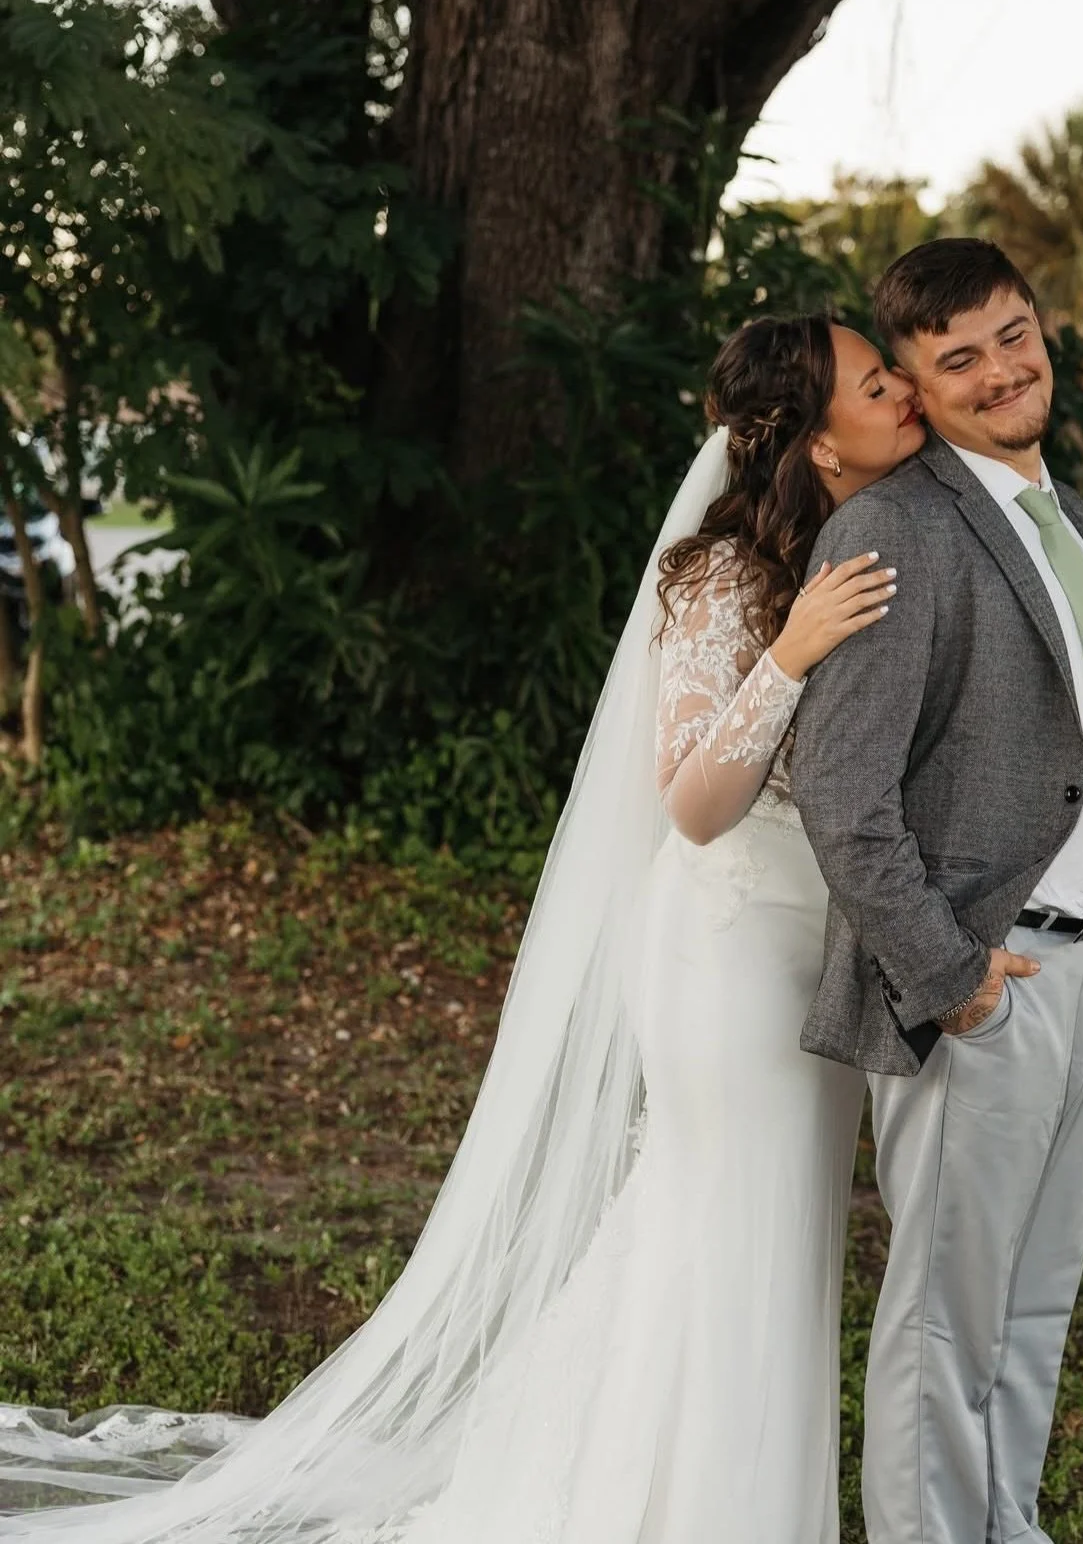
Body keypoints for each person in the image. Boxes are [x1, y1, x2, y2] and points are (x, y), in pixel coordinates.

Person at [0, 313, 922, 1544]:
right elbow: (693, 803)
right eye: (877, 379)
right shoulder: (725, 578)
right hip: (731, 952)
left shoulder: (848, 549)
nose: (905, 388)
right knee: (734, 1225)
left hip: (813, 945)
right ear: (815, 439)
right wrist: (792, 655)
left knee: (773, 1231)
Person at [790, 238, 1083, 1544]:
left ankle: (1007, 1527)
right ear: (915, 383)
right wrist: (950, 979)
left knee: (1031, 1307)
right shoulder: (894, 528)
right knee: (944, 1326)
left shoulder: (1069, 519)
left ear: (1039, 328)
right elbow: (843, 795)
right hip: (986, 979)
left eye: (1012, 334)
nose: (1001, 370)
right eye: (958, 358)